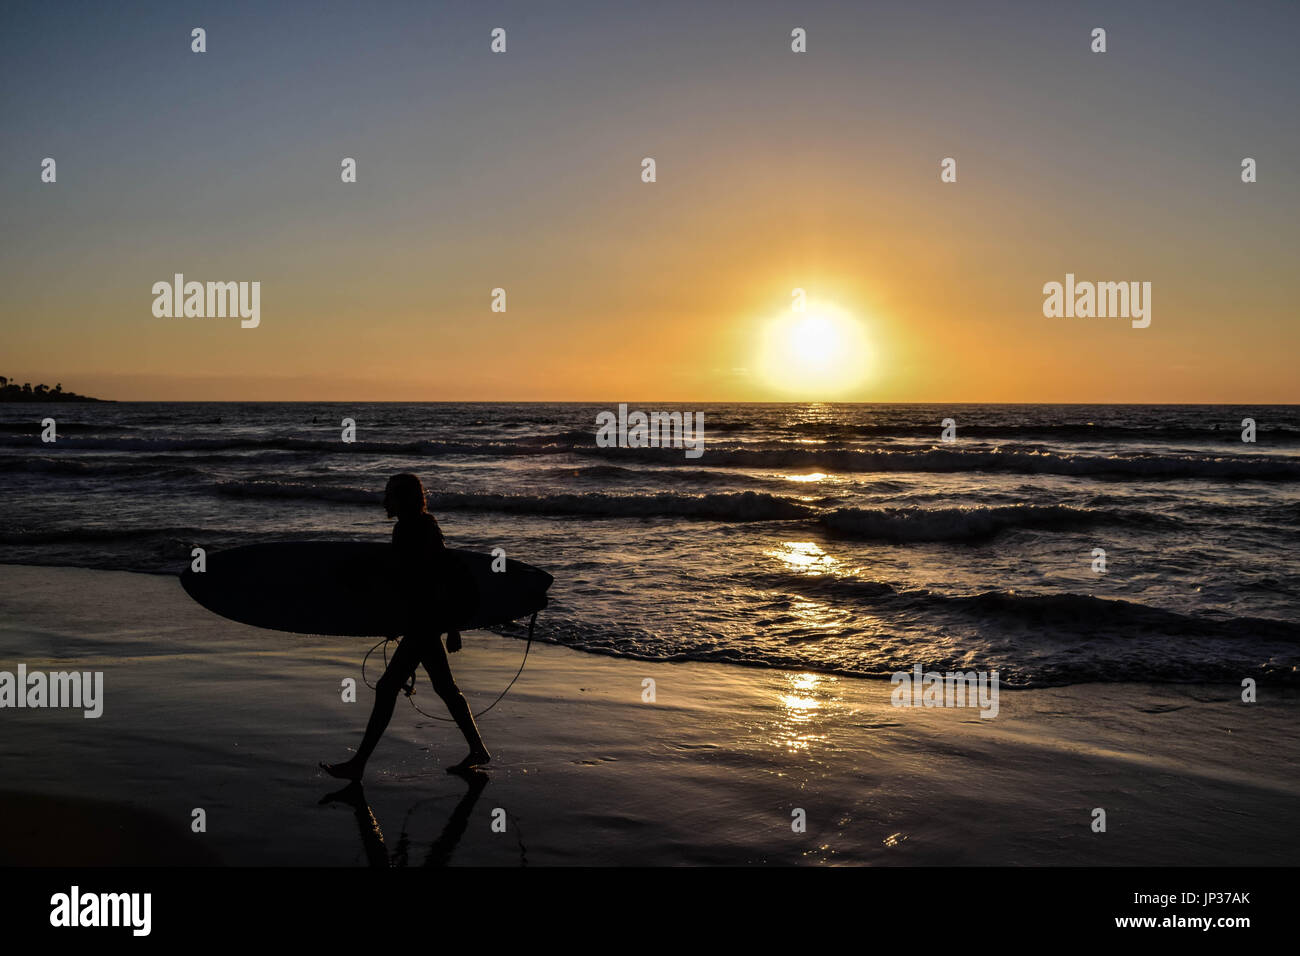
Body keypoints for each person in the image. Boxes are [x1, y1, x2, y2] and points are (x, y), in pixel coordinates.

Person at [321, 474, 488, 779]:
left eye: (392, 495)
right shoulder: (412, 527)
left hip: (425, 622)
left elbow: (440, 579)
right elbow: (407, 582)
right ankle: (478, 749)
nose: (387, 500)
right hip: (420, 621)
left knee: (388, 687)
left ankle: (358, 764)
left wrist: (452, 627)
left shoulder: (418, 528)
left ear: (405, 497)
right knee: (444, 688)